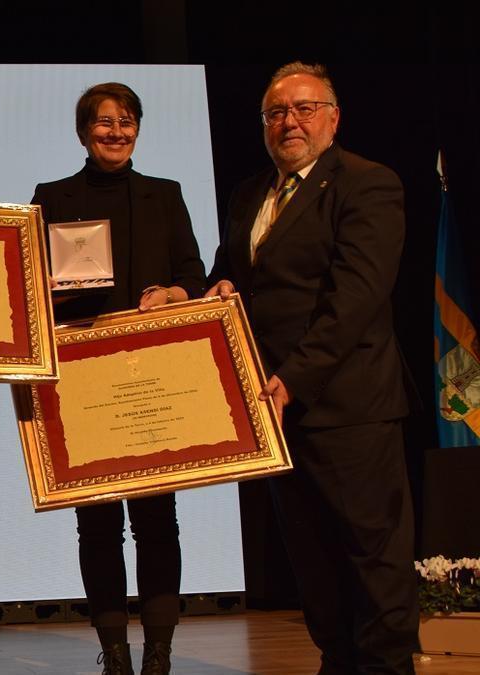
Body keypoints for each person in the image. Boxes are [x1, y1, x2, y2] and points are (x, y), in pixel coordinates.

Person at [206, 62, 418, 674]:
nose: (288, 122)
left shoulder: (367, 183)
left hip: (348, 408)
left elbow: (355, 300)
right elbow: (234, 276)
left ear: (333, 117)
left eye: (303, 108)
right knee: (314, 566)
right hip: (273, 412)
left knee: (371, 561)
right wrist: (193, 293)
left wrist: (293, 379)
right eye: (276, 112)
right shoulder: (251, 194)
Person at [30, 82, 205, 675]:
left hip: (152, 375)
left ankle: (159, 650)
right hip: (82, 377)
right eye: (104, 122)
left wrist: (175, 293)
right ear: (84, 132)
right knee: (97, 522)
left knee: (158, 517)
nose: (116, 131)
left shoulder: (165, 195)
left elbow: (193, 275)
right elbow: (28, 282)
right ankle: (114, 651)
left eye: (126, 120)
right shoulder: (52, 197)